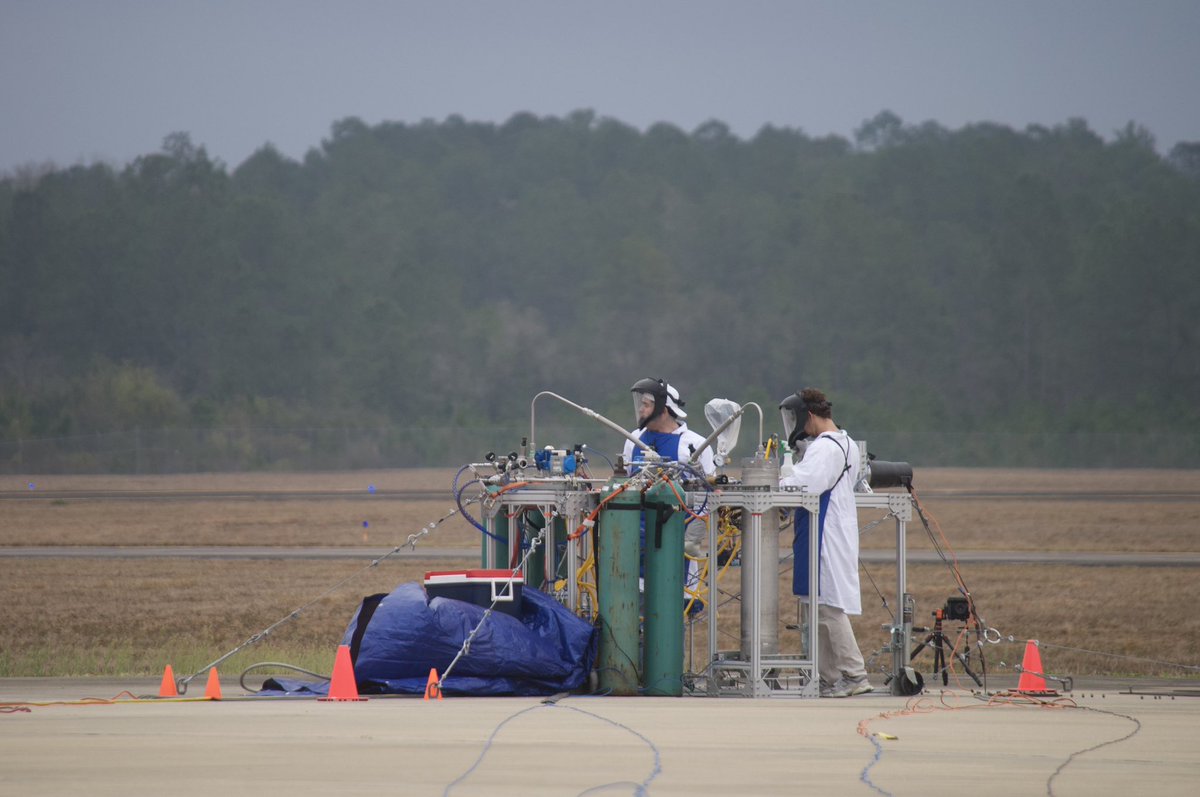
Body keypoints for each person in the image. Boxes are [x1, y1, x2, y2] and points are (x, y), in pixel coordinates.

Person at [778, 387, 873, 698]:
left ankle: (854, 674)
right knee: (816, 606)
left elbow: (808, 483)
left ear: (810, 416)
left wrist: (776, 481)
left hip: (825, 532)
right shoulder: (844, 442)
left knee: (829, 607)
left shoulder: (826, 447)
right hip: (825, 528)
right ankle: (829, 678)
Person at [622, 378, 716, 611]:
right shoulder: (633, 440)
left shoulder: (694, 444)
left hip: (676, 548)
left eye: (646, 404)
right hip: (636, 548)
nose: (641, 409)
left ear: (663, 410)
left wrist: (691, 538)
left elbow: (706, 499)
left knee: (671, 626)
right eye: (640, 403)